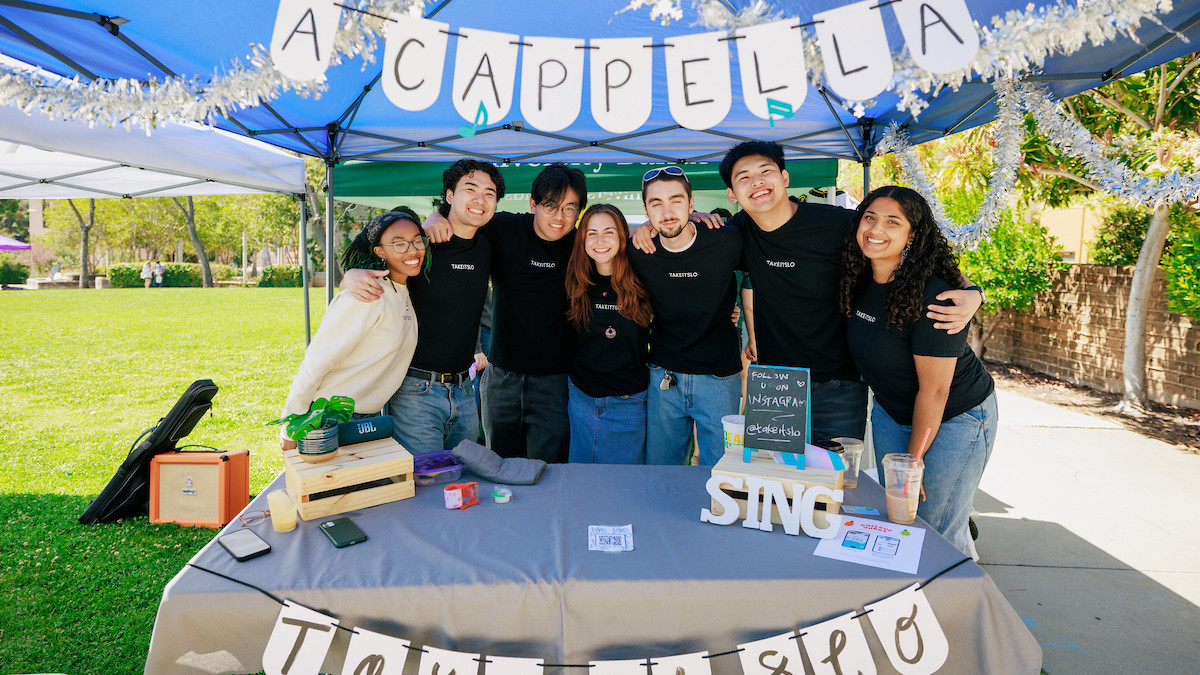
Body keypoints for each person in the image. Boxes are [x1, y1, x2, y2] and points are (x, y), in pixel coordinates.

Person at [717, 140, 982, 442]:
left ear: (785, 178)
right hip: (775, 383)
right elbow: (685, 239)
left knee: (832, 486)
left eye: (766, 171)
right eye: (744, 177)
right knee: (774, 481)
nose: (757, 182)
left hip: (838, 385)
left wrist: (974, 292)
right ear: (732, 194)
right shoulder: (737, 233)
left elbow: (923, 258)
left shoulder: (837, 224)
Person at [841, 186, 997, 555]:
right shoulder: (858, 278)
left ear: (912, 235)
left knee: (934, 530)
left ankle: (956, 603)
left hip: (955, 417)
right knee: (897, 518)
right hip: (893, 413)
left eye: (893, 222)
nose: (877, 229)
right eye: (870, 217)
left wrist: (911, 466)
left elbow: (935, 393)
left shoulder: (935, 298)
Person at [422, 163, 586, 463]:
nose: (559, 217)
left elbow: (620, 235)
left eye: (569, 209)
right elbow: (461, 215)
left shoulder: (583, 244)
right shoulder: (503, 228)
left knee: (549, 468)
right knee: (498, 465)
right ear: (533, 203)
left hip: (557, 381)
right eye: (550, 206)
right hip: (501, 377)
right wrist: (434, 216)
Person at [342, 159, 501, 455]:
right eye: (471, 189)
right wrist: (350, 277)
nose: (480, 200)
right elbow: (366, 270)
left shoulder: (487, 245)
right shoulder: (419, 242)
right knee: (422, 483)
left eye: (489, 193)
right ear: (449, 196)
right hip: (416, 389)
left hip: (465, 390)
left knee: (460, 480)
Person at [278, 210, 426, 450]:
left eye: (418, 240)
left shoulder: (402, 291)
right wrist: (291, 424)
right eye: (399, 244)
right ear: (380, 251)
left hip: (364, 419)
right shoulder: (365, 296)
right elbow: (316, 361)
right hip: (326, 419)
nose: (412, 249)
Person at [628, 166, 742, 467]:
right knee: (661, 470)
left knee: (723, 472)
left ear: (692, 205)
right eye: (656, 204)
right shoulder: (639, 249)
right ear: (646, 211)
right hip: (664, 375)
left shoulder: (726, 240)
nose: (667, 211)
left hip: (719, 377)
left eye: (676, 200)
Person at [564, 204, 653, 463]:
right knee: (583, 482)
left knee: (624, 485)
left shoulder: (643, 277)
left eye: (609, 232)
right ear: (582, 240)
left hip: (629, 401)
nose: (600, 241)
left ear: (623, 235)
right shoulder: (575, 280)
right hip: (581, 397)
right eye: (591, 233)